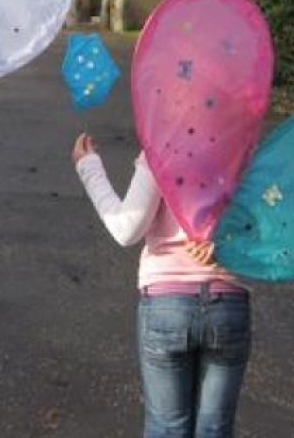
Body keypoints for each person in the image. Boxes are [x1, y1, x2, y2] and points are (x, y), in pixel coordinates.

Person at [70, 132, 252, 438]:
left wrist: (88, 167)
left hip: (166, 306)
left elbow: (126, 229)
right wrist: (225, 244)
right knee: (216, 429)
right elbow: (266, 228)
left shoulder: (165, 147)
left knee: (167, 428)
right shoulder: (243, 150)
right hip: (228, 303)